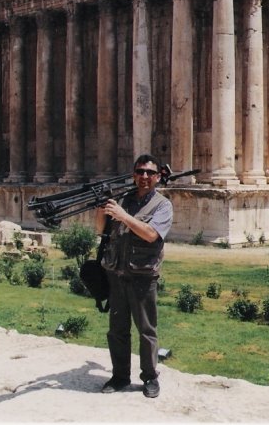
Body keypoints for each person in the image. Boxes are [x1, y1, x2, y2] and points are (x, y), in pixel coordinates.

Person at [95, 154, 173, 398]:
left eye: (150, 173)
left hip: (143, 276)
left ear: (158, 176)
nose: (145, 177)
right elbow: (101, 230)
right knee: (117, 330)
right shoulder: (123, 200)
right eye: (140, 172)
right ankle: (120, 376)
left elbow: (151, 234)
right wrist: (102, 208)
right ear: (133, 175)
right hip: (117, 273)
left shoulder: (162, 205)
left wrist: (122, 215)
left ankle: (150, 377)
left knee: (146, 331)